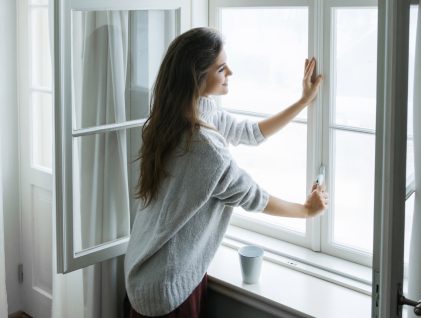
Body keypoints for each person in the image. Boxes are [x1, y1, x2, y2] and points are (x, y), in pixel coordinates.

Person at [124, 27, 328, 318]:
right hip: (165, 289)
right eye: (221, 68)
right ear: (197, 76)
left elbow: (249, 133)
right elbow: (254, 197)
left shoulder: (178, 113)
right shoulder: (205, 150)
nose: (229, 72)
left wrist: (303, 102)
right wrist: (307, 210)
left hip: (145, 270)